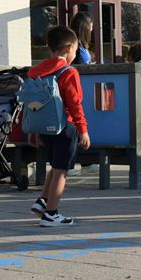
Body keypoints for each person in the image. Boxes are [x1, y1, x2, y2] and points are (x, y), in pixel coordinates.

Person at [29, 26, 90, 226]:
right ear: (69, 48)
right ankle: (51, 214)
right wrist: (83, 129)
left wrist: (31, 129)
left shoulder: (36, 71)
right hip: (65, 127)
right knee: (62, 170)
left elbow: (29, 102)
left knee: (55, 166)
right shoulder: (68, 72)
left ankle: (43, 201)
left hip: (44, 126)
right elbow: (75, 103)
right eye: (76, 49)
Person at [68, 12, 96, 175]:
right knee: (76, 125)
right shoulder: (78, 47)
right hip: (78, 92)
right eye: (91, 26)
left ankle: (85, 161)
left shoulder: (75, 45)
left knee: (80, 126)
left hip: (78, 91)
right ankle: (71, 164)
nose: (92, 29)